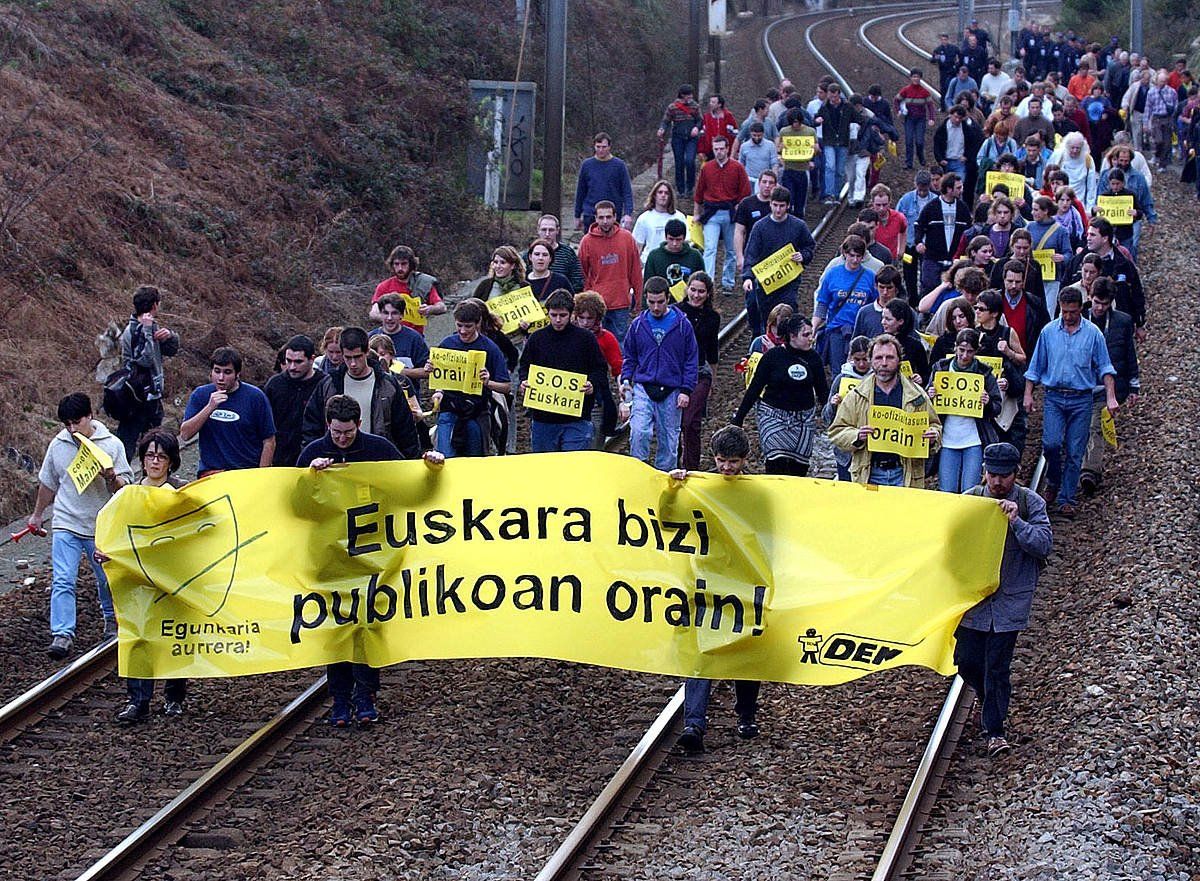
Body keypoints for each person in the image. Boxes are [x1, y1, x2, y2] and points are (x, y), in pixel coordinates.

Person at [298, 395, 444, 726]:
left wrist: (431, 471)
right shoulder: (312, 455)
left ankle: (365, 695)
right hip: (330, 562)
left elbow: (408, 492)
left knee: (366, 629)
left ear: (359, 425)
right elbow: (295, 504)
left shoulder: (379, 450)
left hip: (370, 560)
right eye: (336, 433)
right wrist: (309, 477)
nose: (342, 439)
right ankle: (339, 699)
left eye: (348, 433)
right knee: (336, 633)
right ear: (328, 426)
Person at [956, 442, 1053, 758]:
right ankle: (988, 701)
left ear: (1016, 475)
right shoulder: (969, 501)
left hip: (1010, 601)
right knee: (968, 662)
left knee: (997, 667)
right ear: (984, 472)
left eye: (1004, 476)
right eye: (992, 475)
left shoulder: (1029, 503)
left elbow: (1043, 544)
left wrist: (1016, 522)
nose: (997, 482)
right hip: (974, 602)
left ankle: (994, 731)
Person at [670, 425, 761, 754]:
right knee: (702, 651)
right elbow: (669, 518)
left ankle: (746, 715)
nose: (726, 468)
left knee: (746, 651)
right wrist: (673, 487)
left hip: (744, 583)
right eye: (722, 461)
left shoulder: (757, 492)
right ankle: (694, 722)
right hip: (707, 582)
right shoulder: (701, 488)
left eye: (733, 462)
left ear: (745, 460)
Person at [29, 393, 133, 659]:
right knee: (63, 579)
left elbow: (126, 489)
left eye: (77, 422)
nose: (73, 429)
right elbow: (48, 482)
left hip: (101, 524)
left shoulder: (112, 445)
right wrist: (38, 514)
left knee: (106, 578)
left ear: (90, 416)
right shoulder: (58, 444)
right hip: (66, 521)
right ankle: (62, 633)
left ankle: (112, 620)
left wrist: (111, 476)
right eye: (67, 424)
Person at [109, 429, 189, 722]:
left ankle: (174, 696)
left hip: (172, 577)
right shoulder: (128, 495)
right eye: (150, 456)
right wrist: (106, 551)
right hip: (138, 578)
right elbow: (114, 528)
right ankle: (138, 700)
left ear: (171, 462)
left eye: (162, 456)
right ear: (142, 460)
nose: (155, 462)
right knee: (138, 635)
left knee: (173, 635)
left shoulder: (181, 494)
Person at [1023, 286, 1118, 519]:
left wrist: (1111, 396)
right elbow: (1035, 367)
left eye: (1072, 312)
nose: (1067, 317)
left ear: (1080, 309)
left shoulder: (1093, 334)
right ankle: (1054, 480)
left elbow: (1105, 367)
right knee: (1052, 444)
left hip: (1081, 398)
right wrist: (1028, 393)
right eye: (1064, 312)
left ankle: (1067, 497)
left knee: (1076, 450)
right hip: (1054, 396)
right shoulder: (1048, 332)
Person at [828, 333, 941, 486]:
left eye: (890, 357)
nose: (884, 363)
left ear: (899, 360)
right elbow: (836, 432)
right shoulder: (856, 395)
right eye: (878, 358)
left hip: (905, 474)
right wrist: (857, 435)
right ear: (871, 361)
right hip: (868, 473)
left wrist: (933, 436)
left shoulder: (917, 395)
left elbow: (935, 426)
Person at [302, 325, 422, 458]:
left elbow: (405, 430)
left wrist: (411, 462)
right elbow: (311, 425)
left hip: (378, 460)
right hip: (336, 462)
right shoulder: (328, 384)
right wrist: (316, 456)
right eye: (348, 358)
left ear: (366, 352)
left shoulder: (388, 385)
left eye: (357, 357)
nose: (353, 363)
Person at [731, 313, 828, 475]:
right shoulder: (773, 357)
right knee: (777, 463)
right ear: (792, 336)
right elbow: (755, 388)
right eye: (806, 335)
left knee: (799, 470)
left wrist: (834, 416)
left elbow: (822, 392)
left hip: (803, 421)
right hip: (773, 416)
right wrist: (738, 418)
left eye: (811, 334)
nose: (810, 338)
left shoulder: (814, 359)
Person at [619, 277, 698, 471]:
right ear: (645, 299)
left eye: (660, 302)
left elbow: (691, 359)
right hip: (643, 386)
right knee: (638, 431)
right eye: (651, 302)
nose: (655, 307)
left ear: (668, 299)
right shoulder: (638, 325)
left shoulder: (682, 325)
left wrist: (686, 390)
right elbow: (629, 357)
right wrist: (626, 381)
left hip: (672, 388)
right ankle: (639, 471)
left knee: (669, 439)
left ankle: (665, 477)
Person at [518, 289, 609, 453]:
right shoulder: (537, 338)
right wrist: (524, 382)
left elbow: (600, 368)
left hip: (577, 417)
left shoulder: (585, 339)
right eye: (553, 315)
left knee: (574, 468)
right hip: (543, 418)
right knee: (545, 468)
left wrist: (592, 385)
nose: (558, 320)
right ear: (548, 314)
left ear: (571, 314)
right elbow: (525, 366)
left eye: (562, 315)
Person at [1080, 278, 1139, 494]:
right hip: (1081, 384)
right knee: (1081, 428)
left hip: (1108, 388)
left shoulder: (1122, 322)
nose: (1099, 308)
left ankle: (1090, 471)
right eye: (1096, 302)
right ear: (1090, 297)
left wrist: (1134, 387)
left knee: (1096, 426)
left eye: (1104, 304)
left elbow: (1129, 355)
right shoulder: (1078, 318)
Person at [927, 328, 1002, 492]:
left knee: (971, 491)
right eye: (961, 350)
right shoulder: (941, 368)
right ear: (955, 347)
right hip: (947, 439)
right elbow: (925, 406)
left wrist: (987, 402)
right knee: (947, 490)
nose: (965, 356)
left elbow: (997, 407)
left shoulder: (984, 372)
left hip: (973, 439)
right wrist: (929, 394)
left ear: (976, 351)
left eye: (970, 351)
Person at [181, 347, 275, 477]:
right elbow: (185, 435)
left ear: (237, 374)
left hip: (245, 472)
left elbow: (269, 440)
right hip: (212, 473)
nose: (221, 378)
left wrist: (261, 475)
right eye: (217, 371)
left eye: (227, 372)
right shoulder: (200, 395)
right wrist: (209, 407)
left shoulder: (255, 397)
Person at [115, 285, 179, 461]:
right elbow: (146, 360)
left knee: (152, 441)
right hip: (137, 395)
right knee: (130, 441)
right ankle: (123, 479)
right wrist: (148, 333)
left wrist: (170, 336)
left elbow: (171, 350)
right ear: (155, 305)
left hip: (150, 395)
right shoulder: (135, 329)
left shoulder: (149, 325)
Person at [741, 186, 816, 337]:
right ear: (770, 204)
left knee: (787, 312)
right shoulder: (760, 227)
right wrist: (748, 277)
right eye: (775, 205)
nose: (778, 209)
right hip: (766, 282)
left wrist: (803, 255)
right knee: (760, 311)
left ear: (788, 206)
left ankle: (787, 340)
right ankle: (759, 337)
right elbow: (751, 254)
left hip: (788, 281)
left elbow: (809, 247)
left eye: (782, 206)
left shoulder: (798, 226)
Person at [1062, 217, 1146, 331]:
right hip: (1081, 326)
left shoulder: (1123, 264)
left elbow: (1136, 293)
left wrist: (1139, 323)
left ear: (1105, 238)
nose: (1088, 238)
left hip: (1116, 327)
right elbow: (1064, 290)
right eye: (1088, 234)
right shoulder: (1077, 262)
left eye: (1093, 235)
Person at [579, 200, 643, 344]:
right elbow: (582, 273)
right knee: (594, 343)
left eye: (608, 217)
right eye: (601, 217)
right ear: (595, 218)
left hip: (621, 303)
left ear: (615, 217)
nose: (605, 221)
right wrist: (587, 297)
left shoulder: (627, 238)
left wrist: (638, 300)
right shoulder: (587, 242)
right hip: (596, 304)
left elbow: (636, 272)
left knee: (620, 344)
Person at [693, 136, 752, 291]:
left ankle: (728, 282)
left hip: (731, 212)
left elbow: (745, 192)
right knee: (710, 248)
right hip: (711, 213)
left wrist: (740, 212)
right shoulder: (707, 168)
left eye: (721, 149)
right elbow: (699, 193)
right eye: (716, 149)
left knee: (731, 249)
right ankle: (708, 282)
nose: (718, 152)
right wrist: (696, 214)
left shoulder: (737, 168)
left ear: (727, 149)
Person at [813, 234, 878, 372]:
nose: (855, 260)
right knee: (838, 370)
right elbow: (823, 304)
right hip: (837, 330)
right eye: (852, 255)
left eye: (859, 256)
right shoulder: (832, 274)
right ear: (844, 253)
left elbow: (875, 305)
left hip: (861, 331)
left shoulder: (870, 277)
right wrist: (814, 327)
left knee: (863, 369)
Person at [676, 272, 720, 471]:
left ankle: (691, 467)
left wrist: (714, 378)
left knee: (690, 421)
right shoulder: (675, 312)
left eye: (701, 291)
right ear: (687, 290)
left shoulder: (712, 317)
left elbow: (712, 349)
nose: (696, 295)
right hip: (676, 372)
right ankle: (674, 463)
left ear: (708, 294)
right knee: (675, 422)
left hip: (700, 372)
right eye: (693, 290)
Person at [264, 334, 324, 467]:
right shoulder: (275, 384)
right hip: (280, 459)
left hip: (314, 458)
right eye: (288, 361)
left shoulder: (324, 384)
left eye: (298, 362)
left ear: (311, 359)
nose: (292, 367)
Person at [572, 291, 623, 445]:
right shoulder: (568, 335)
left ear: (598, 318)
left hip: (596, 396)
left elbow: (618, 368)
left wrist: (624, 397)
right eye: (581, 318)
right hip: (569, 395)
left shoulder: (607, 338)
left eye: (590, 318)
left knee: (595, 442)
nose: (585, 323)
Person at [914, 172, 972, 296]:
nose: (961, 190)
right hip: (933, 258)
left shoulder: (963, 208)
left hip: (954, 259)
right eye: (958, 188)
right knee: (929, 288)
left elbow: (969, 230)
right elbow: (919, 225)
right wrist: (918, 242)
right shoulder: (931, 207)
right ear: (949, 189)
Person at [369, 245, 444, 331]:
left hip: (415, 336)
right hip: (390, 334)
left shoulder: (423, 283)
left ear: (411, 264)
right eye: (396, 264)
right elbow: (373, 313)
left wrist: (429, 309)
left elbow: (441, 307)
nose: (400, 268)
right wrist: (390, 319)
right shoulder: (384, 286)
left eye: (404, 264)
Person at [574, 132, 634, 231]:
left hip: (612, 214)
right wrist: (577, 215)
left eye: (604, 147)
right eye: (598, 147)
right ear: (594, 146)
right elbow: (581, 192)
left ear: (609, 147)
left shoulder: (619, 166)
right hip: (591, 214)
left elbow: (626, 191)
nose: (601, 150)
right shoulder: (587, 165)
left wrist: (628, 213)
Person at [368, 295, 432, 386]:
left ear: (402, 315)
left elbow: (427, 372)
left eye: (394, 313)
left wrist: (400, 371)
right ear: (380, 314)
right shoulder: (370, 338)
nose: (389, 318)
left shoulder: (414, 338)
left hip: (408, 396)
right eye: (386, 313)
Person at [814, 83, 861, 202]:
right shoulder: (824, 107)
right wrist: (817, 121)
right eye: (831, 97)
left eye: (835, 97)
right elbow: (815, 120)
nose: (833, 100)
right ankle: (829, 194)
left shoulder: (847, 107)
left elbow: (859, 118)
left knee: (840, 170)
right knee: (830, 166)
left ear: (839, 95)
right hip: (829, 141)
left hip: (843, 142)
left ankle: (837, 193)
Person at [657, 84, 703, 197]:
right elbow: (666, 121)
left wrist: (696, 128)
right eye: (688, 95)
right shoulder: (673, 107)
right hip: (678, 138)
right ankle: (680, 189)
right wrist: (662, 129)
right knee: (679, 163)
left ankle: (690, 187)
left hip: (691, 139)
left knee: (690, 161)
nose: (690, 97)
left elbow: (700, 120)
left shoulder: (695, 106)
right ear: (682, 95)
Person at [632, 180, 688, 266]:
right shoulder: (644, 218)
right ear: (654, 195)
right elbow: (637, 246)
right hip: (650, 262)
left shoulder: (679, 217)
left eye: (666, 193)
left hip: (674, 263)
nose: (663, 195)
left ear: (670, 197)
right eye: (660, 192)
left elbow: (686, 242)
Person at [775, 108, 818, 217]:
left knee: (800, 202)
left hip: (803, 170)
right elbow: (779, 150)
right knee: (789, 199)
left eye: (797, 122)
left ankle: (798, 221)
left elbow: (816, 151)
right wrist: (781, 148)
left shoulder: (810, 132)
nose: (795, 125)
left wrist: (815, 149)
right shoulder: (784, 131)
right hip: (788, 170)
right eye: (793, 122)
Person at [895, 68, 938, 169]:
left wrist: (931, 118)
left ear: (920, 78)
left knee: (919, 141)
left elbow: (930, 106)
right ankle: (908, 162)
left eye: (917, 77)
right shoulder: (906, 90)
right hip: (909, 119)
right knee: (909, 140)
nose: (916, 79)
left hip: (920, 119)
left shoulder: (925, 92)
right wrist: (898, 111)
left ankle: (921, 157)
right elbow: (896, 100)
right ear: (911, 78)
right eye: (914, 77)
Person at [529, 215, 584, 293]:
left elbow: (577, 281)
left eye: (551, 230)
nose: (547, 234)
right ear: (538, 230)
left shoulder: (568, 253)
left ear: (557, 230)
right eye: (544, 230)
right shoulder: (530, 254)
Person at [644, 218, 705, 288]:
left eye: (678, 239)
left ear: (684, 238)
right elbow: (648, 284)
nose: (674, 243)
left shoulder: (695, 256)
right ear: (665, 237)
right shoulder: (654, 256)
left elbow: (702, 281)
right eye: (671, 239)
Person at [881, 298, 929, 385]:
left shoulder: (915, 346)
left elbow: (926, 373)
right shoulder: (878, 343)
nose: (883, 322)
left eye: (888, 319)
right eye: (883, 318)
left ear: (900, 321)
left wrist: (920, 378)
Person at [929, 296, 976, 363]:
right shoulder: (942, 342)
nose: (958, 321)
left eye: (961, 316)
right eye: (954, 318)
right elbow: (932, 368)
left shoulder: (980, 338)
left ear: (969, 316)